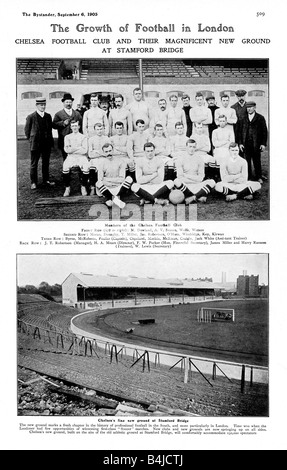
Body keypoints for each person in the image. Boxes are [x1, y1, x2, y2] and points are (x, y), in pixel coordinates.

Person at [24, 97, 55, 190]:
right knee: (34, 164)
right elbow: (27, 131)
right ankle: (33, 182)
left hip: (46, 144)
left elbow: (50, 130)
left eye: (44, 105)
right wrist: (32, 140)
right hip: (36, 145)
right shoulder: (31, 117)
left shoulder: (48, 116)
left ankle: (46, 180)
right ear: (36, 106)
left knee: (46, 163)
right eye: (41, 105)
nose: (43, 106)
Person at [174, 139, 215, 204]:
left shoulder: (199, 159)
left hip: (197, 185)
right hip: (186, 185)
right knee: (176, 181)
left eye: (193, 147)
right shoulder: (180, 159)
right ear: (186, 147)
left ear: (196, 148)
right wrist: (194, 180)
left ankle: (192, 197)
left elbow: (201, 178)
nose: (192, 149)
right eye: (190, 146)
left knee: (212, 182)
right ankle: (198, 196)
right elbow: (180, 177)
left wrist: (186, 175)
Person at [237, 101, 268, 183]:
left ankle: (259, 176)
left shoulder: (260, 118)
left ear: (255, 107)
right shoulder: (243, 118)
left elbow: (264, 132)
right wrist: (240, 143)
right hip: (246, 144)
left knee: (257, 160)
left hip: (256, 144)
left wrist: (263, 144)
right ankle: (249, 177)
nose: (249, 109)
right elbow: (239, 132)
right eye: (247, 107)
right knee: (247, 161)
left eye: (250, 107)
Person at [96, 143, 133, 208]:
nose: (108, 153)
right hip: (108, 188)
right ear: (103, 153)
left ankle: (113, 199)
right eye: (106, 152)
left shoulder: (120, 161)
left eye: (110, 151)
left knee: (129, 179)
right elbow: (100, 180)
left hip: (119, 187)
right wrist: (110, 182)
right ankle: (117, 201)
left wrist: (106, 179)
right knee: (98, 183)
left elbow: (122, 179)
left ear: (113, 150)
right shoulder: (101, 163)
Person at [62, 120, 89, 197]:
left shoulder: (83, 137)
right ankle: (67, 188)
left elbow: (85, 150)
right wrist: (78, 148)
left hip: (81, 157)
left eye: (76, 126)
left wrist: (72, 148)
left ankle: (83, 186)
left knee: (86, 167)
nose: (74, 127)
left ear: (79, 127)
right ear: (70, 127)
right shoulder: (67, 137)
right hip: (71, 157)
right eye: (73, 126)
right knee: (65, 166)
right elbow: (66, 150)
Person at [52, 93, 82, 160]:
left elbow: (81, 125)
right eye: (67, 102)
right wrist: (63, 123)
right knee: (66, 157)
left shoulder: (77, 114)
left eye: (70, 102)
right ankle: (66, 170)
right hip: (64, 139)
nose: (69, 104)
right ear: (63, 102)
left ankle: (75, 170)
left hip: (75, 139)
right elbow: (54, 125)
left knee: (76, 156)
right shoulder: (58, 114)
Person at [88, 123, 111, 193]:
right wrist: (102, 153)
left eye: (101, 129)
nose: (99, 131)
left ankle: (103, 186)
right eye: (97, 129)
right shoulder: (91, 139)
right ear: (95, 130)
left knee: (104, 166)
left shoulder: (106, 138)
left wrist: (96, 152)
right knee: (92, 166)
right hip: (94, 159)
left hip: (104, 159)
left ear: (103, 129)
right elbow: (90, 154)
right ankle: (93, 187)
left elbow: (109, 153)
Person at [211, 114, 235, 180]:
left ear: (226, 122)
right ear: (218, 122)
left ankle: (227, 175)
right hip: (218, 149)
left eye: (223, 121)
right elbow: (215, 143)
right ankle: (218, 175)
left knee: (227, 155)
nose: (222, 123)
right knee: (218, 155)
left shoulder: (230, 131)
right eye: (220, 121)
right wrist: (225, 142)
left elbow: (232, 143)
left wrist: (222, 143)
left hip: (227, 149)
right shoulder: (215, 131)